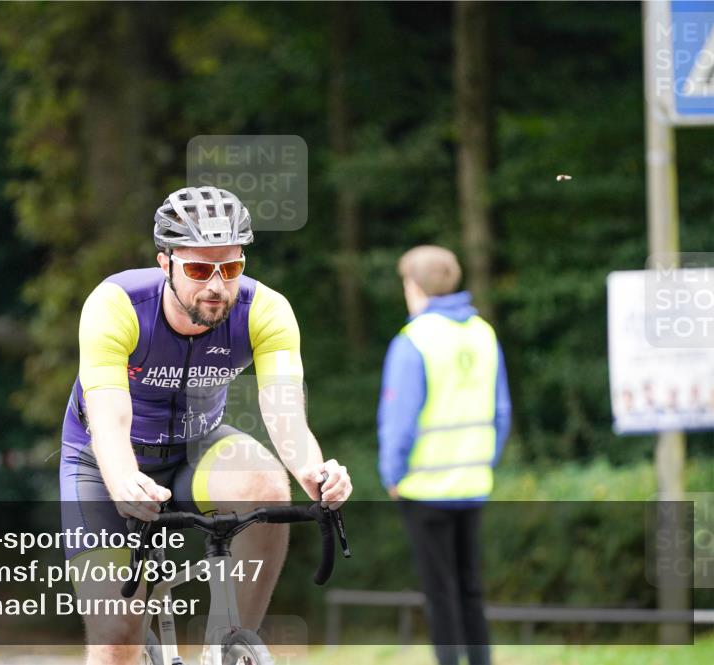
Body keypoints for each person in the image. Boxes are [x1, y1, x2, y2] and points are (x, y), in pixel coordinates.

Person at [60, 185, 353, 665]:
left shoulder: (265, 310)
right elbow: (108, 417)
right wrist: (121, 481)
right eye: (198, 269)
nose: (217, 286)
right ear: (166, 263)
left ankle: (229, 646)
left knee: (266, 484)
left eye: (231, 268)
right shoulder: (116, 304)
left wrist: (315, 472)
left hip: (196, 448)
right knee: (117, 633)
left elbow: (284, 413)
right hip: (102, 459)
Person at [377, 245, 511, 665]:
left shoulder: (414, 339)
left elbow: (400, 420)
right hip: (473, 483)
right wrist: (484, 462)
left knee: (441, 592)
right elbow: (501, 413)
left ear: (414, 286)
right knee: (471, 588)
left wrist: (392, 475)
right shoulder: (483, 333)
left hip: (425, 487)